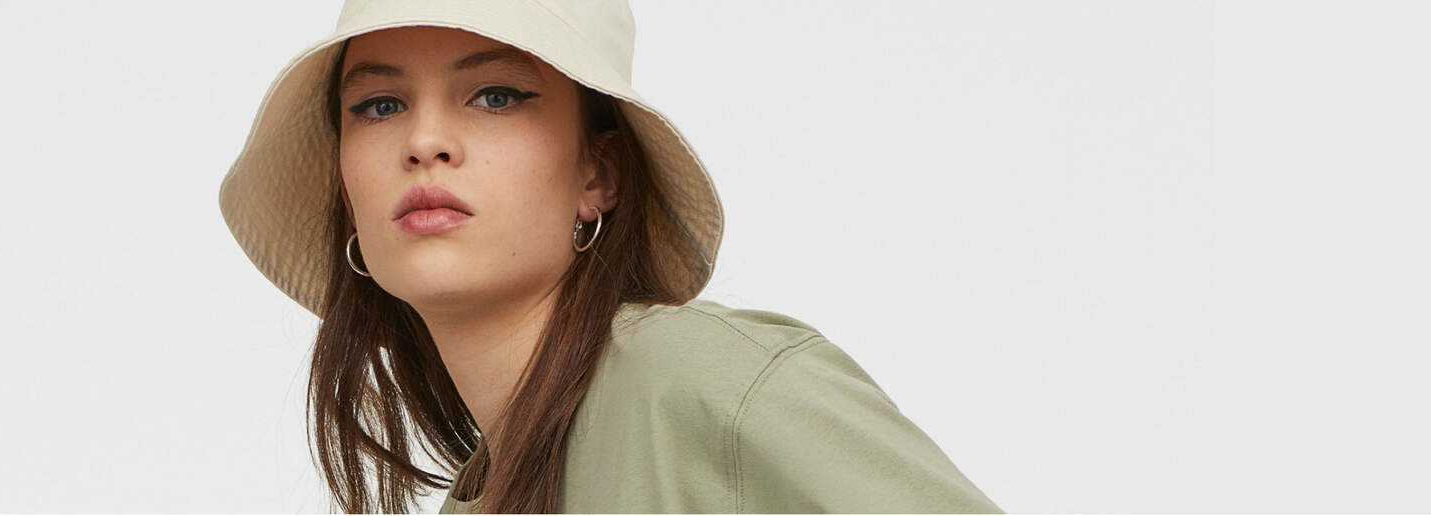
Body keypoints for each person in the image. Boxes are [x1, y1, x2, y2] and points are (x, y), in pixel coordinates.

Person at [217, 1, 1003, 513]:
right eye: (379, 105)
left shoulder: (701, 381)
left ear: (598, 173)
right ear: (346, 187)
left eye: (496, 95)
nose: (424, 142)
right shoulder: (484, 493)